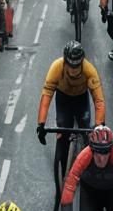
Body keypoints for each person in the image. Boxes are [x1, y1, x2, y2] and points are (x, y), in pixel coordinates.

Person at [37, 41, 107, 177]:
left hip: (81, 99)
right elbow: (46, 97)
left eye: (77, 66)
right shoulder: (56, 68)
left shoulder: (89, 70)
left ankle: (89, 172)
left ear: (82, 62)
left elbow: (99, 100)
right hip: (63, 99)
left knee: (87, 132)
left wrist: (99, 125)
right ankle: (63, 175)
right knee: (63, 132)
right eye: (70, 66)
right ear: (64, 62)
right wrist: (41, 124)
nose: (74, 70)